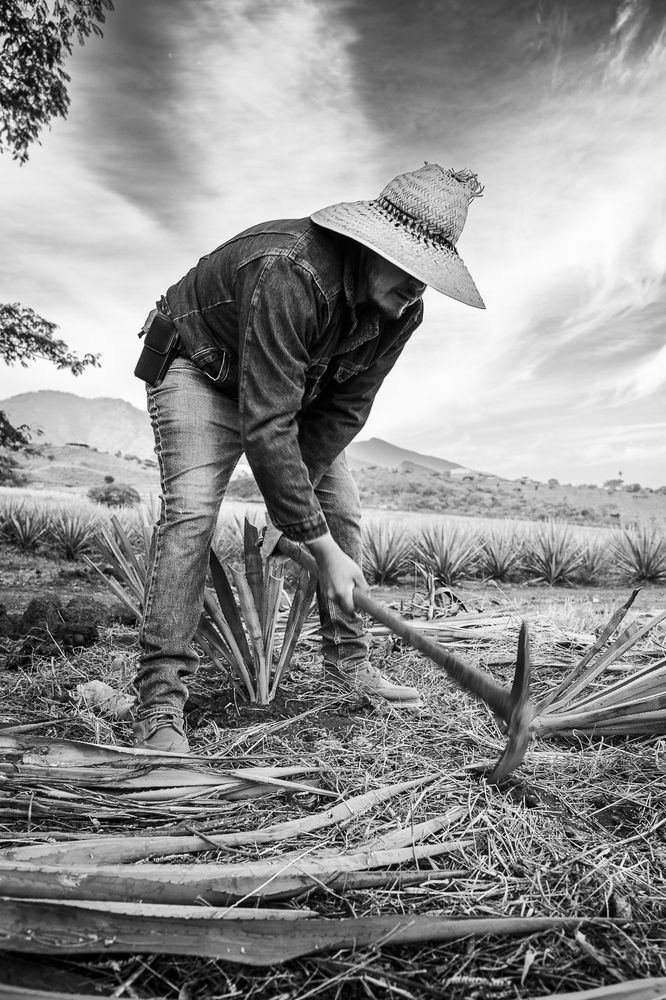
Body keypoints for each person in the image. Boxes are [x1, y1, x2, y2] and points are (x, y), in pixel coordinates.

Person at [132, 162, 485, 753]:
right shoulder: (289, 268)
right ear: (372, 246)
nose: (417, 290)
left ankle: (349, 661)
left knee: (341, 514)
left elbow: (346, 410)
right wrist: (314, 546)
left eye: (428, 277)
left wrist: (298, 519)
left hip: (291, 391)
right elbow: (267, 422)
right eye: (410, 272)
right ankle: (160, 704)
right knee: (191, 514)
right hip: (202, 366)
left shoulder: (401, 309)